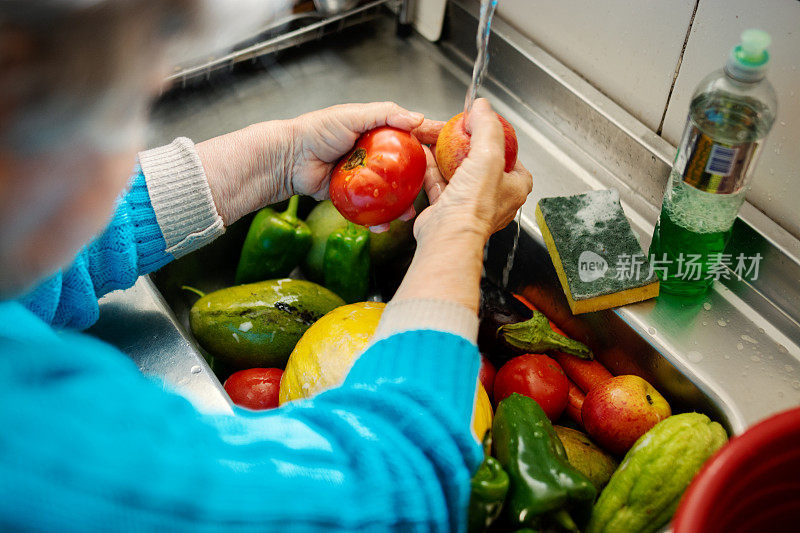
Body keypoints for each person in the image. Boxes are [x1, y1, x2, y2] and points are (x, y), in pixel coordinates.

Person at [0, 1, 532, 531]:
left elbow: (38, 248)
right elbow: (390, 492)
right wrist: (461, 226)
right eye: (128, 105)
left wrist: (281, 156)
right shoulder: (34, 441)